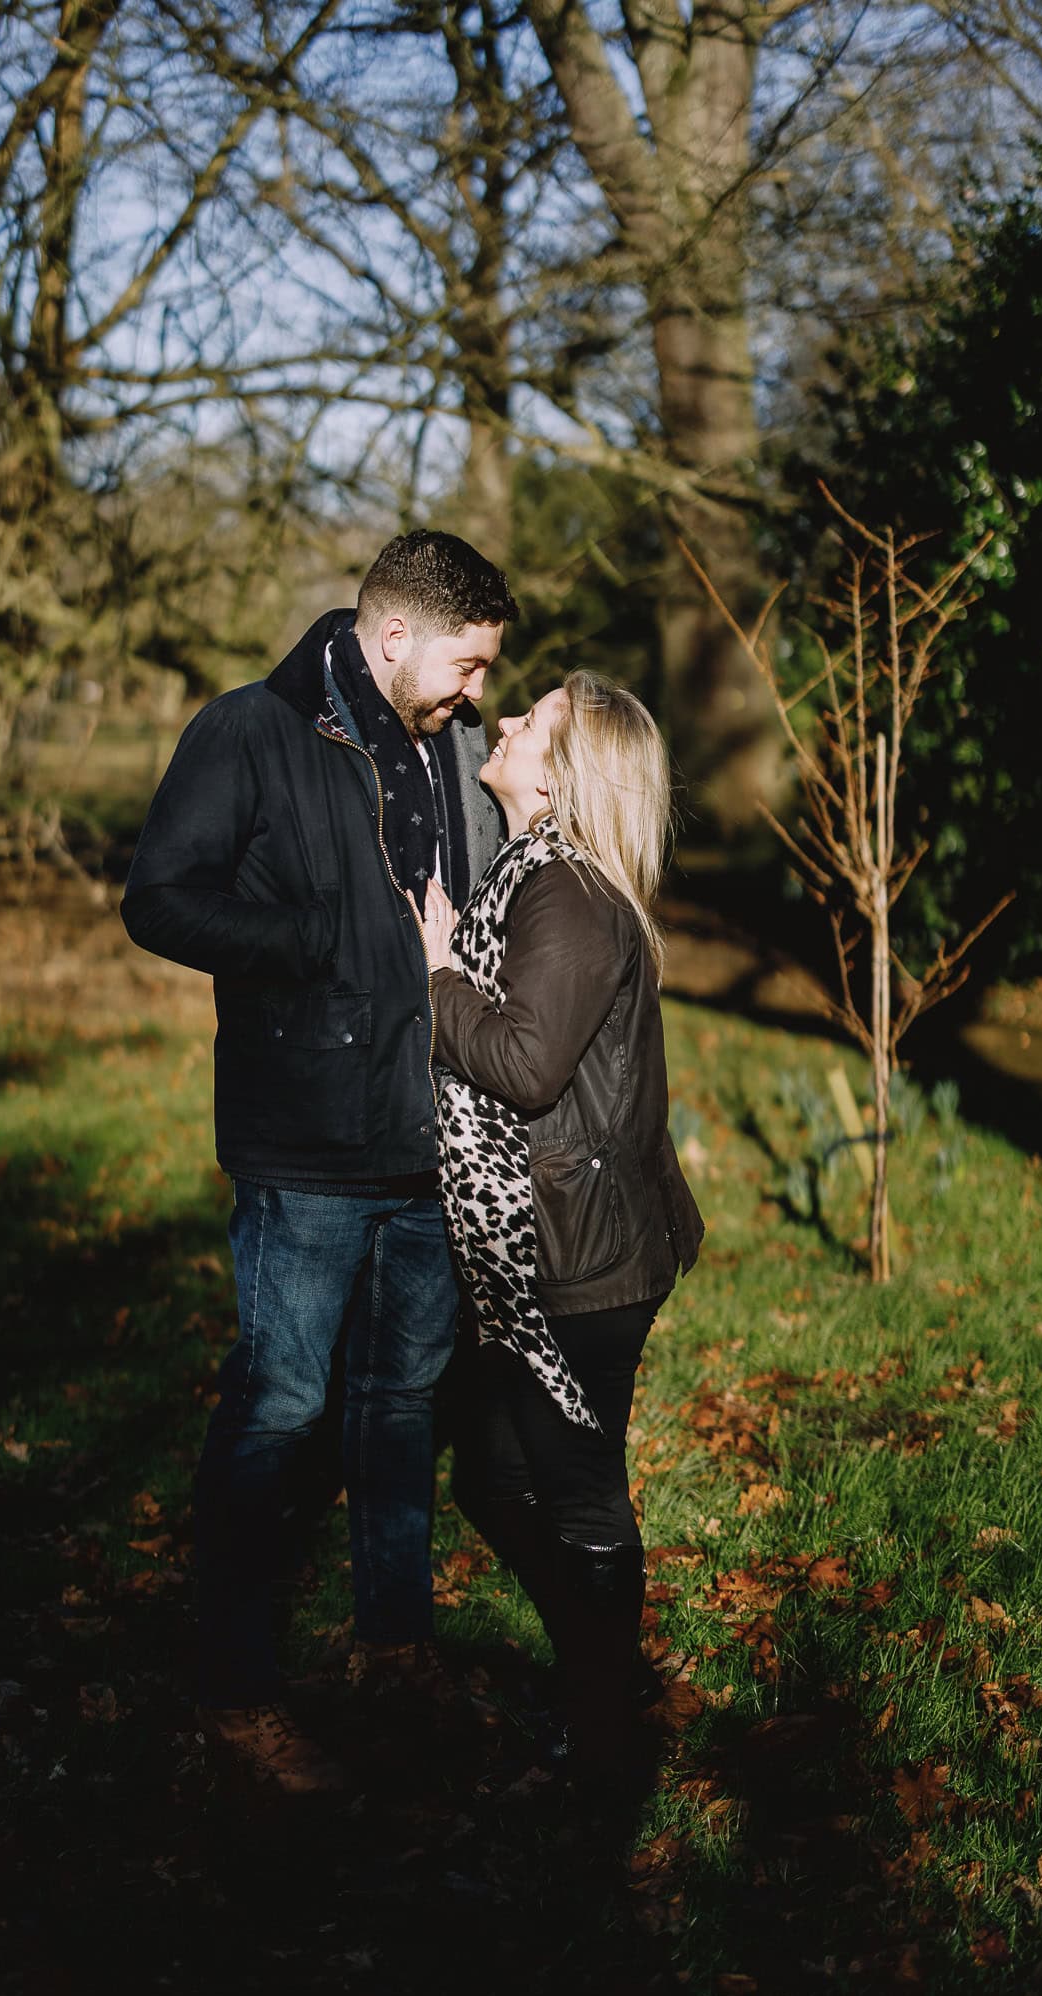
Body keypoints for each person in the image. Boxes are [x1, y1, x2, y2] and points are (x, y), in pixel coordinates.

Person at [121, 531, 516, 1793]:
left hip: (429, 1143)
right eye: (464, 664)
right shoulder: (249, 730)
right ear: (390, 636)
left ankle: (393, 1647)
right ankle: (235, 1693)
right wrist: (312, 938)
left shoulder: (456, 744)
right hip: (303, 1145)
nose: (475, 691)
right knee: (281, 1404)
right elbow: (159, 897)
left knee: (401, 1401)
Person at [415, 668, 704, 1794]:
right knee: (493, 1480)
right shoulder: (538, 877)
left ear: (563, 772)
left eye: (532, 719)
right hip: (543, 1245)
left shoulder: (567, 893)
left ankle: (605, 1740)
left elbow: (527, 1065)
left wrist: (435, 973)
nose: (506, 719)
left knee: (576, 1491)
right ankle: (605, 1675)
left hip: (580, 1258)